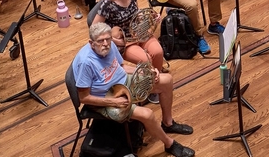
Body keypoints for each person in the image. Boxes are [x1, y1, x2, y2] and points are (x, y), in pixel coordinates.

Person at [72, 23, 195, 157]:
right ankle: (169, 144)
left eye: (108, 39)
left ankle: (168, 123)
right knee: (147, 114)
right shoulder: (85, 62)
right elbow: (84, 98)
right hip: (106, 98)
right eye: (101, 41)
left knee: (166, 80)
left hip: (122, 83)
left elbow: (121, 67)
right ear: (91, 43)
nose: (106, 44)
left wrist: (145, 71)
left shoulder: (110, 45)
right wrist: (114, 102)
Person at [92, 0, 165, 74]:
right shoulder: (107, 4)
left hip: (139, 33)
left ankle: (158, 79)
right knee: (146, 60)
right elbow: (94, 29)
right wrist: (114, 41)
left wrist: (152, 18)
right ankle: (149, 83)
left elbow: (137, 15)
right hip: (126, 42)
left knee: (158, 52)